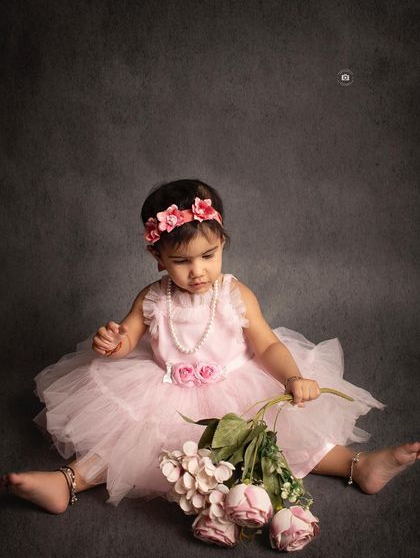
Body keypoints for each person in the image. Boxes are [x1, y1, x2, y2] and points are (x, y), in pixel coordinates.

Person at [2, 179, 419, 514]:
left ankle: (359, 466)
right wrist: (114, 343)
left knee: (280, 435)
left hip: (237, 386)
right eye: (182, 261)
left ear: (222, 244)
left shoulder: (235, 294)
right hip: (165, 391)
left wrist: (292, 376)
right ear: (158, 257)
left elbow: (267, 343)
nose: (198, 270)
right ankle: (66, 481)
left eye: (209, 254)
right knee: (130, 442)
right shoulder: (152, 298)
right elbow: (129, 336)